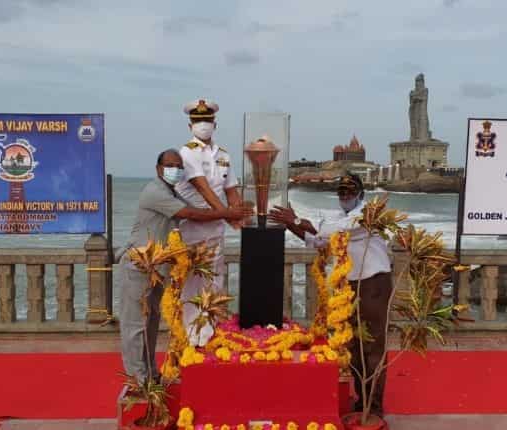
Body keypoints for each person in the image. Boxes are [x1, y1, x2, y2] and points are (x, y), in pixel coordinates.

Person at [117, 149, 252, 385]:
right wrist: (228, 213)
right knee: (135, 325)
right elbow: (189, 213)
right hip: (139, 265)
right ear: (158, 168)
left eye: (180, 167)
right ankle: (137, 380)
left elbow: (201, 211)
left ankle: (151, 375)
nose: (176, 170)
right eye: (170, 165)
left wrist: (231, 215)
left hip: (156, 268)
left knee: (151, 323)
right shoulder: (155, 191)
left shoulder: (172, 192)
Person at [267, 173, 393, 415]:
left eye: (350, 191)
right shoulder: (337, 217)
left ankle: (374, 407)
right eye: (341, 191)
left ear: (361, 193)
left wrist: (298, 219)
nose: (345, 195)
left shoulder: (368, 214)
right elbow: (319, 241)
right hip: (349, 286)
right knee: (353, 345)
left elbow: (337, 230)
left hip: (373, 284)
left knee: (372, 345)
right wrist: (291, 225)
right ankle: (362, 400)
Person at [175, 98, 244, 346]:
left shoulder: (223, 154)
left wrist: (241, 217)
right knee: (192, 286)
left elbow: (231, 189)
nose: (202, 124)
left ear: (215, 124)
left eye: (206, 120)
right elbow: (203, 188)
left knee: (215, 283)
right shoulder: (186, 152)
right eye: (198, 121)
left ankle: (211, 334)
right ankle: (192, 338)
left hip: (215, 232)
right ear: (190, 126)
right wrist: (229, 215)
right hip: (192, 232)